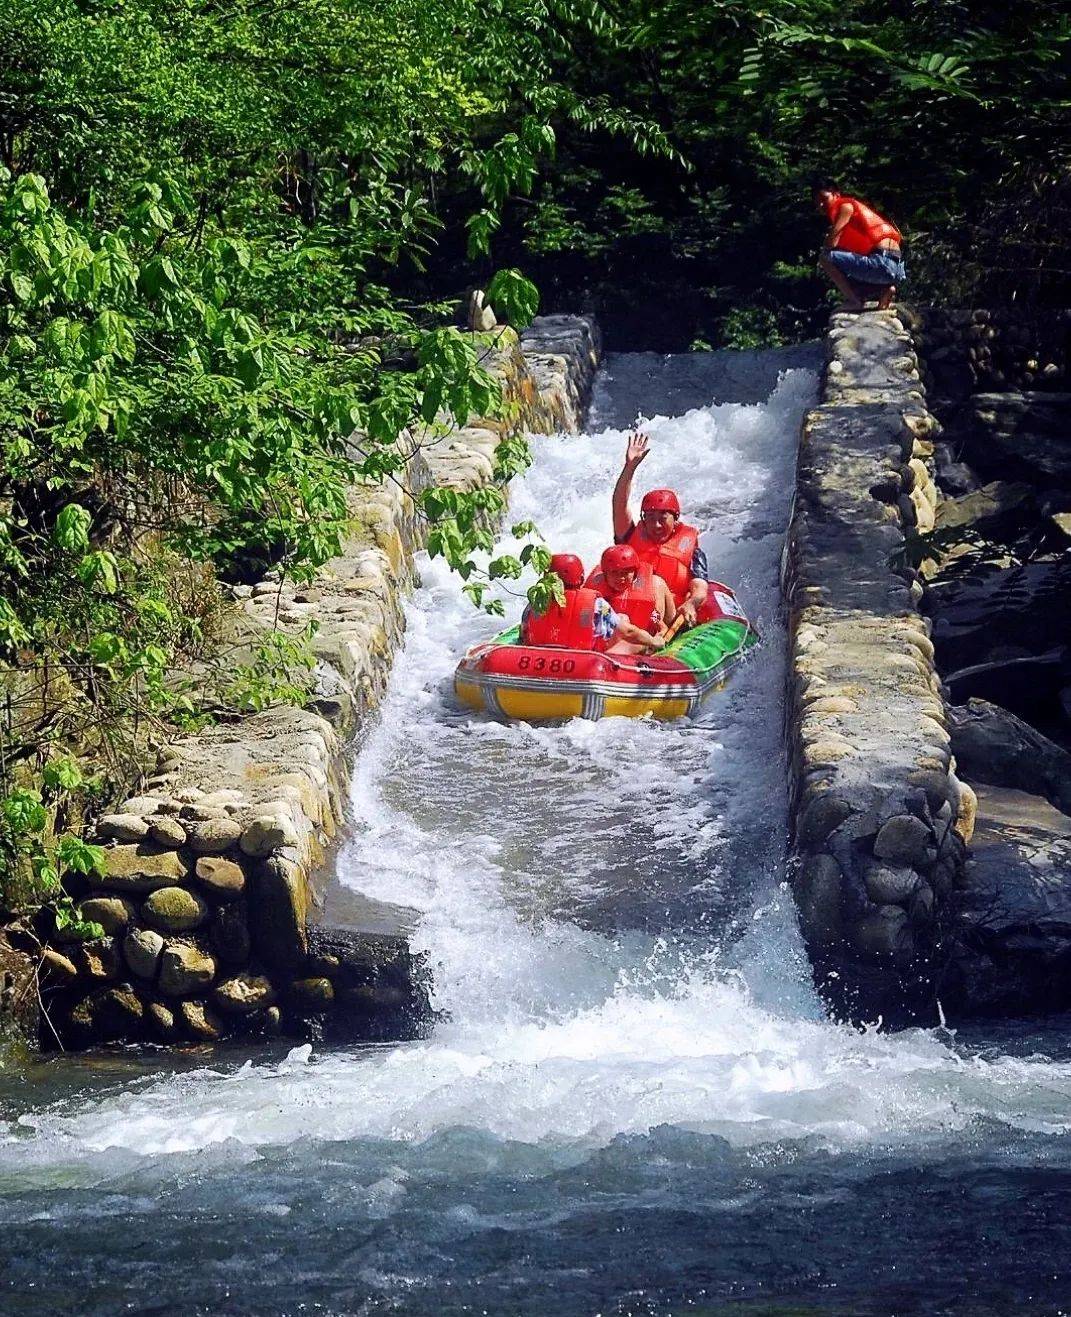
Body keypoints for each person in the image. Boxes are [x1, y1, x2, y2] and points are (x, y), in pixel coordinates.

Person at [611, 433, 709, 626]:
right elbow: (618, 503)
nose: (655, 525)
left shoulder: (692, 549)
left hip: (664, 616)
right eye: (650, 518)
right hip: (626, 610)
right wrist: (629, 468)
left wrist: (692, 603)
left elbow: (700, 588)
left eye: (662, 519)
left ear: (675, 519)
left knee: (655, 583)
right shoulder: (630, 535)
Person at [521, 553, 663, 652]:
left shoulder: (534, 602)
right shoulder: (597, 604)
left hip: (540, 657)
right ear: (581, 578)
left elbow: (524, 633)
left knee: (621, 618)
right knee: (636, 642)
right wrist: (652, 640)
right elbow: (627, 630)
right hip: (585, 661)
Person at [814, 182, 905, 312]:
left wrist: (827, 238)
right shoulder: (853, 211)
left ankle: (854, 301)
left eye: (824, 199)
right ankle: (885, 289)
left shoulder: (845, 206)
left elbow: (831, 245)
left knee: (825, 258)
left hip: (882, 263)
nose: (821, 205)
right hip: (896, 269)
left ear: (836, 194)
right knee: (854, 286)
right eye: (817, 203)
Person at [586, 544, 677, 654]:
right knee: (622, 619)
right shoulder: (597, 598)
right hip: (609, 643)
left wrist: (660, 636)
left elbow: (660, 624)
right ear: (605, 574)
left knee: (658, 582)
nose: (621, 578)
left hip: (638, 641)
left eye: (625, 572)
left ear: (635, 573)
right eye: (614, 572)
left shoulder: (646, 600)